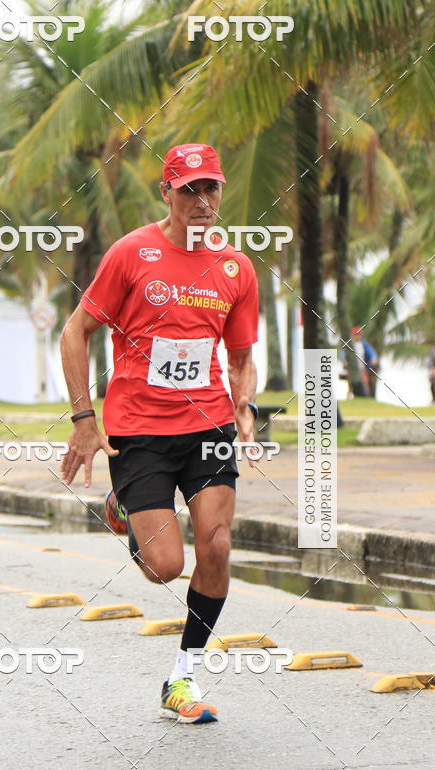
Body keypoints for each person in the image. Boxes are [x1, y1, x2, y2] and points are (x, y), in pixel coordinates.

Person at [60, 143, 259, 724]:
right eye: (189, 190)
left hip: (208, 424)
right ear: (166, 193)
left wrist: (243, 405)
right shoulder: (132, 254)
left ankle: (183, 677)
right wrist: (83, 419)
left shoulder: (235, 268)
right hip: (139, 429)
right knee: (166, 566)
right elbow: (76, 333)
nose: (202, 201)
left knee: (217, 545)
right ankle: (123, 507)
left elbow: (242, 355)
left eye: (211, 189)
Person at [351, 326, 379, 398]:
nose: (358, 336)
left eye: (360, 334)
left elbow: (372, 352)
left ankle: (367, 397)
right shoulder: (350, 344)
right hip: (352, 369)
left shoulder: (364, 344)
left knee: (365, 383)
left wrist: (374, 358)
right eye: (357, 334)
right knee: (351, 385)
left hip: (362, 369)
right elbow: (344, 354)